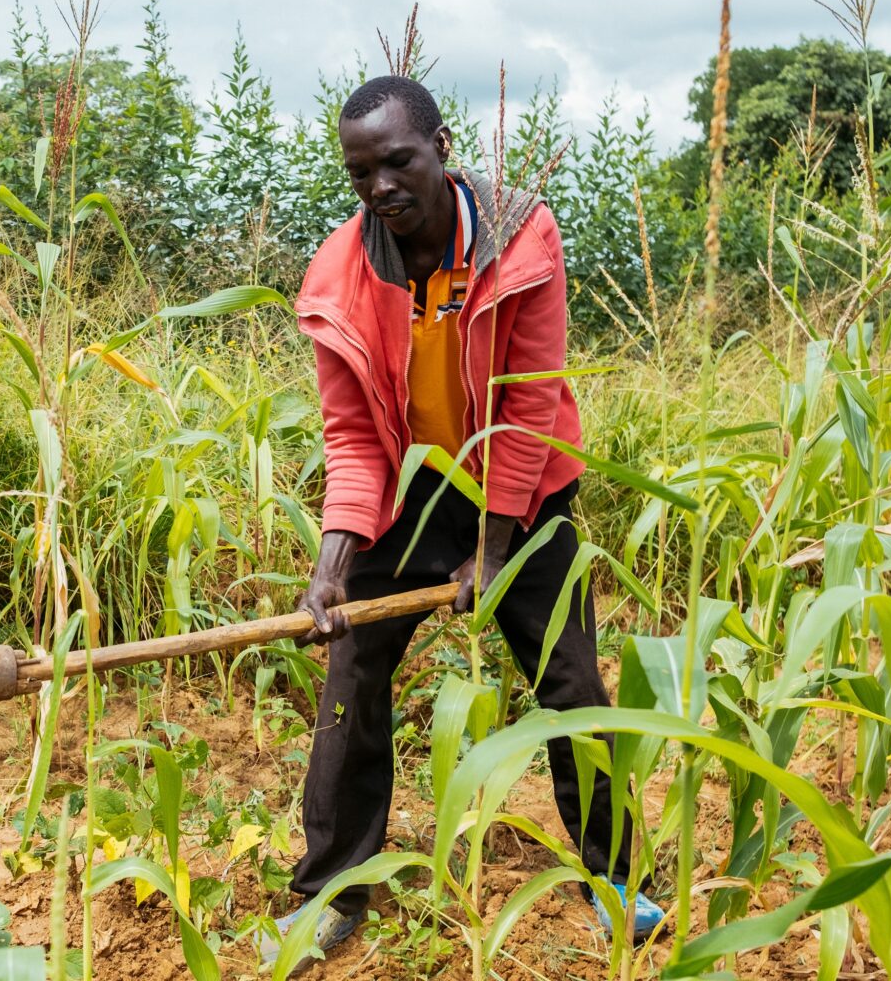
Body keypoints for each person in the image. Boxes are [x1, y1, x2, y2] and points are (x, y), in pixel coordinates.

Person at [259, 75, 663, 969]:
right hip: (412, 493)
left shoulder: (523, 238)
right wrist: (336, 557)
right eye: (360, 173)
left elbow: (524, 410)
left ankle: (616, 880)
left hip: (522, 490)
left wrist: (493, 549)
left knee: (567, 681)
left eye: (397, 161)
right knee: (351, 680)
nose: (381, 188)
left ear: (441, 145)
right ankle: (332, 889)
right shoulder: (341, 275)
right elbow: (357, 438)